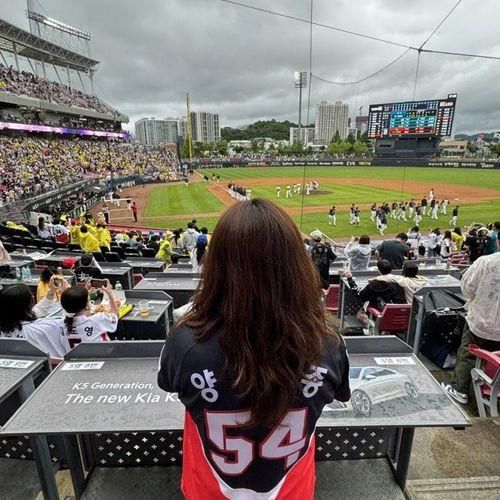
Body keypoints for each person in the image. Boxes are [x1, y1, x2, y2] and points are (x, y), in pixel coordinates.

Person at [158, 199, 350, 499]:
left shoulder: (183, 340)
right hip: (292, 491)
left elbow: (169, 382)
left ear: (216, 263)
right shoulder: (329, 341)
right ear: (296, 263)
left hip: (209, 490)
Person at [441, 251, 500, 405]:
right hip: (485, 321)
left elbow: (467, 288)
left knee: (468, 353)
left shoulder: (486, 261)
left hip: (482, 320)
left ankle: (459, 389)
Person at [0, 277, 69, 357]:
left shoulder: (6, 325)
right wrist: (68, 296)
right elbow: (70, 319)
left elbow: (37, 310)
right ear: (26, 304)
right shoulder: (43, 328)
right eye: (31, 296)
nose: (33, 297)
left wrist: (51, 292)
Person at [59, 282, 118, 348]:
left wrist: (83, 294)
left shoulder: (62, 324)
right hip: (102, 356)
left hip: (74, 357)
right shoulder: (98, 319)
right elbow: (115, 314)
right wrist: (109, 293)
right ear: (87, 304)